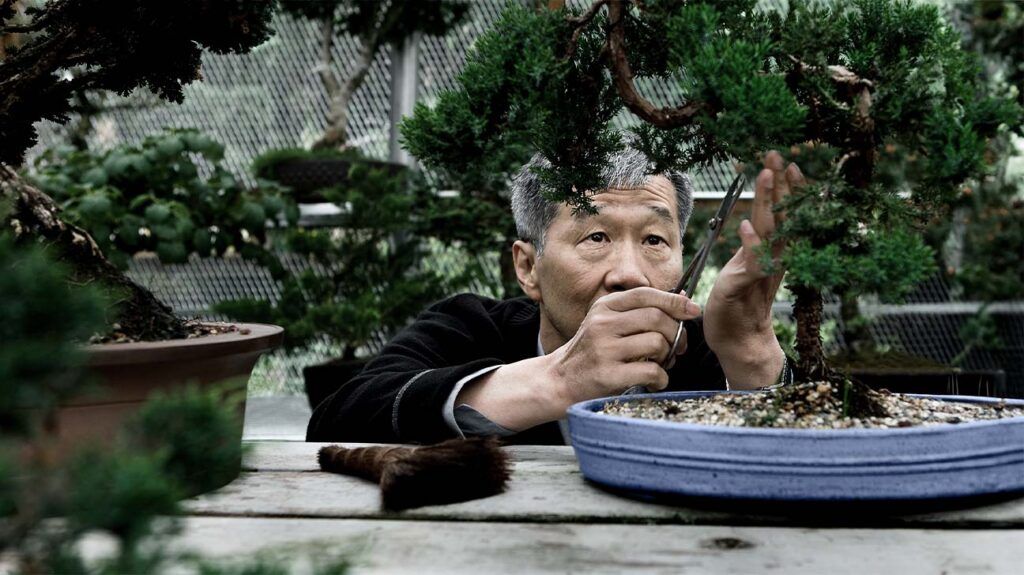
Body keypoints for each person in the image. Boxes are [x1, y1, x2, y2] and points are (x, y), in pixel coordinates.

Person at [307, 148, 804, 445]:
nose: (628, 275)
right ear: (528, 267)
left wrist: (753, 350)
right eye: (596, 238)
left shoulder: (712, 351)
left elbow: (818, 467)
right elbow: (336, 422)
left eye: (655, 240)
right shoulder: (471, 328)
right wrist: (561, 380)